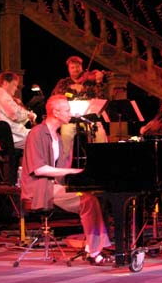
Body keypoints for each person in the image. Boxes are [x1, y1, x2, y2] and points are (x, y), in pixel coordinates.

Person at [20, 94, 113, 265]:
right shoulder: (37, 133)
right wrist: (73, 171)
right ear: (55, 112)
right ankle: (94, 251)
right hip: (39, 188)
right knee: (88, 201)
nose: (71, 114)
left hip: (53, 186)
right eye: (67, 110)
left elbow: (62, 173)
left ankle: (91, 248)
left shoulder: (58, 138)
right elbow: (39, 169)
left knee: (97, 198)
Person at [51, 56, 108, 164]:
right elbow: (54, 98)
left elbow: (101, 97)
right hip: (70, 119)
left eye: (78, 67)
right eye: (73, 67)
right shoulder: (64, 83)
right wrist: (68, 94)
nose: (76, 70)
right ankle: (62, 171)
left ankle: (100, 165)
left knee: (100, 134)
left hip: (90, 118)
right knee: (65, 138)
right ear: (69, 69)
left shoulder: (90, 82)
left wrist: (99, 81)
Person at [0, 71, 36, 150]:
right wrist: (29, 115)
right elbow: (15, 115)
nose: (16, 89)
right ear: (5, 83)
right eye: (14, 85)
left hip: (2, 139)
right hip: (11, 138)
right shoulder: (2, 94)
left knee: (39, 136)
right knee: (42, 138)